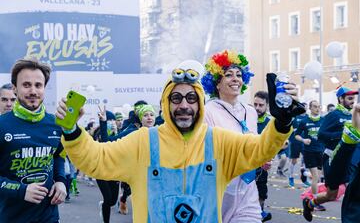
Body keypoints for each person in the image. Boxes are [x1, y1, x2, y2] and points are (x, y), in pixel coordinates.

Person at [56, 65, 304, 222]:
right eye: (176, 98)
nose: (184, 105)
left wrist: (281, 124)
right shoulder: (143, 142)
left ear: (199, 104)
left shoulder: (218, 141)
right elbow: (95, 159)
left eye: (190, 98)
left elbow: (259, 149)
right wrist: (71, 130)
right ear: (166, 103)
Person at [0, 58, 66, 222]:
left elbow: (58, 156)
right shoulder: (2, 125)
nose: (33, 91)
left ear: (44, 88)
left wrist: (61, 181)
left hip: (49, 216)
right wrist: (20, 190)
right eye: (26, 85)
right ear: (15, 89)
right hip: (11, 217)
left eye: (38, 85)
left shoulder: (56, 124)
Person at [202, 50, 262, 223]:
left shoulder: (250, 112)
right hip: (218, 190)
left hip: (247, 189)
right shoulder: (207, 111)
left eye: (239, 75)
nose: (236, 79)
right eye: (228, 75)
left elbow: (255, 144)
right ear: (217, 84)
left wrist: (261, 157)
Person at [302, 86, 358, 221]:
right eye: (349, 98)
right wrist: (343, 135)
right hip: (334, 157)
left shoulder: (354, 115)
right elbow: (321, 135)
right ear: (340, 99)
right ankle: (309, 203)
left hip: (351, 158)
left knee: (352, 188)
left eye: (353, 99)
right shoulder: (334, 115)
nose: (352, 101)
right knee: (331, 195)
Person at [295, 100, 325, 211]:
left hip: (321, 151)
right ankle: (315, 201)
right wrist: (303, 140)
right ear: (310, 108)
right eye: (315, 107)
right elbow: (296, 135)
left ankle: (305, 173)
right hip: (309, 151)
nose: (317, 109)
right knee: (316, 178)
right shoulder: (304, 121)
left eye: (319, 107)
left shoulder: (323, 120)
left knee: (319, 175)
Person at [96, 110, 120, 223]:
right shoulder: (99, 133)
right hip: (101, 170)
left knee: (113, 201)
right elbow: (105, 141)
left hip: (115, 171)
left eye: (112, 120)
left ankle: (104, 206)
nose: (112, 122)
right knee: (107, 198)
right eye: (109, 120)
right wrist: (103, 123)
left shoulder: (119, 133)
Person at [253, 91, 272, 222]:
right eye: (255, 104)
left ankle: (259, 215)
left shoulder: (270, 123)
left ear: (267, 106)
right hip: (246, 163)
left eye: (261, 105)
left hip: (263, 164)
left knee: (261, 192)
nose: (257, 108)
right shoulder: (246, 118)